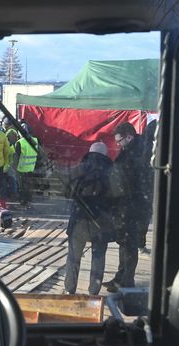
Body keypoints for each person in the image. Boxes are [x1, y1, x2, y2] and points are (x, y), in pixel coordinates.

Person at [103, 122, 151, 291]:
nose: (118, 144)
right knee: (124, 243)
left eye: (120, 140)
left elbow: (133, 181)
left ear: (129, 137)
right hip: (127, 206)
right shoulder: (131, 150)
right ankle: (120, 277)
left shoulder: (137, 153)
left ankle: (127, 280)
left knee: (129, 245)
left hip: (133, 206)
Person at [64, 142, 114, 295]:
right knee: (98, 257)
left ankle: (70, 288)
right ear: (105, 155)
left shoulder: (78, 169)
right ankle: (94, 290)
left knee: (73, 257)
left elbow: (66, 192)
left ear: (90, 153)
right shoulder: (112, 173)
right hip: (101, 222)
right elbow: (118, 199)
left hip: (79, 220)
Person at [138, 119, 157, 255]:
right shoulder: (148, 148)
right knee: (146, 215)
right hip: (148, 186)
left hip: (145, 186)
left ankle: (140, 244)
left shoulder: (143, 145)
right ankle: (140, 244)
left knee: (145, 215)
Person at [13, 122, 39, 206]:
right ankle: (28, 199)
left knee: (22, 186)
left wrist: (14, 169)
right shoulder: (35, 140)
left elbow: (16, 158)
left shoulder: (19, 142)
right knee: (29, 185)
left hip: (22, 168)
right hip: (31, 167)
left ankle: (23, 201)